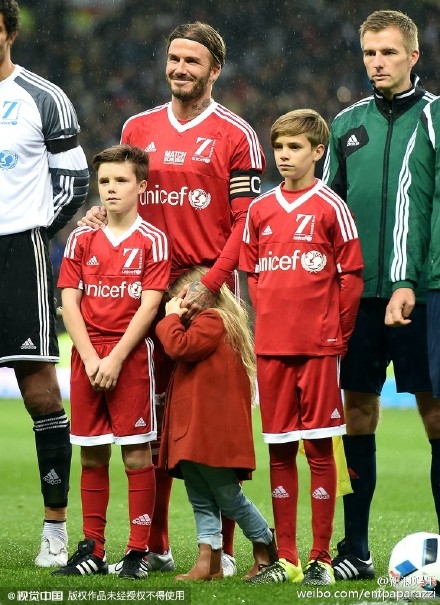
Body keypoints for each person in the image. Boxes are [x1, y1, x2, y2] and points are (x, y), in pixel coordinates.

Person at [81, 21, 266, 577]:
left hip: (208, 289)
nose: (180, 69)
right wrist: (100, 214)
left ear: (215, 70)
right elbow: (125, 194)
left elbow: (245, 224)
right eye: (174, 59)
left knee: (212, 428)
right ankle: (156, 547)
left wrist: (210, 286)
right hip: (147, 289)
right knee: (151, 424)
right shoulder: (138, 126)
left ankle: (225, 551)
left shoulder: (236, 134)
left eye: (193, 61)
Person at [322, 9, 438, 581]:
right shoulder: (346, 124)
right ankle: (356, 549)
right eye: (370, 52)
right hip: (360, 296)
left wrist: (411, 279)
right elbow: (326, 206)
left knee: (435, 416)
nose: (377, 62)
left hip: (426, 293)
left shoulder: (435, 117)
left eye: (388, 52)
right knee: (358, 412)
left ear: (413, 56)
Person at [240, 109, 364, 586]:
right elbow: (253, 275)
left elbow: (351, 277)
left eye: (295, 147)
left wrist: (337, 334)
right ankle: (287, 559)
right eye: (279, 147)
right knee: (278, 450)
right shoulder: (260, 209)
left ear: (317, 152)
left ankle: (321, 559)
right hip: (272, 350)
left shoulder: (331, 207)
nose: (285, 156)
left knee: (318, 449)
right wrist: (271, 323)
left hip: (318, 350)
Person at [53, 144, 170, 579]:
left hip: (131, 358)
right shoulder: (81, 238)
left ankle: (137, 552)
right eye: (104, 181)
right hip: (87, 357)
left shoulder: (154, 240)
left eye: (121, 180)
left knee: (137, 456)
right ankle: (92, 550)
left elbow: (149, 305)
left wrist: (116, 358)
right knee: (91, 455)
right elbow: (69, 300)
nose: (111, 188)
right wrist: (89, 357)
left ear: (141, 186)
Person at [0, 0, 89, 567]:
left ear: (9, 32)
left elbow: (75, 180)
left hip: (17, 251)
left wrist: (33, 231)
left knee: (40, 394)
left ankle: (55, 529)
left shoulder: (43, 97)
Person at [155, 266, 277, 581]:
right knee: (200, 495)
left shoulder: (212, 320)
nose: (175, 304)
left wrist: (169, 318)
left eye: (178, 298)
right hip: (195, 432)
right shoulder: (214, 323)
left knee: (227, 496)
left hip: (208, 434)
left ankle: (265, 544)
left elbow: (178, 347)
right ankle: (208, 562)